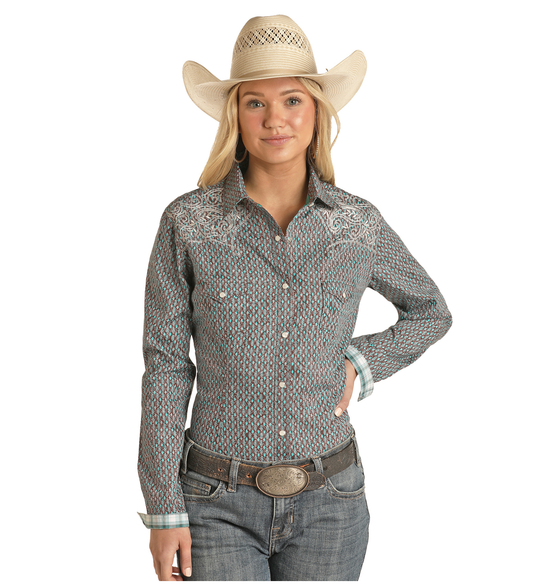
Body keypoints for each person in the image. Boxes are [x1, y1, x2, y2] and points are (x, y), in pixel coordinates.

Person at [137, 15, 452, 582]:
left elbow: (431, 311)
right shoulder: (189, 223)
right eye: (255, 102)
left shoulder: (356, 224)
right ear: (235, 115)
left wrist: (361, 362)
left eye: (292, 100)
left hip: (332, 502)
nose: (275, 119)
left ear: (316, 113)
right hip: (214, 501)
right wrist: (164, 507)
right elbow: (165, 366)